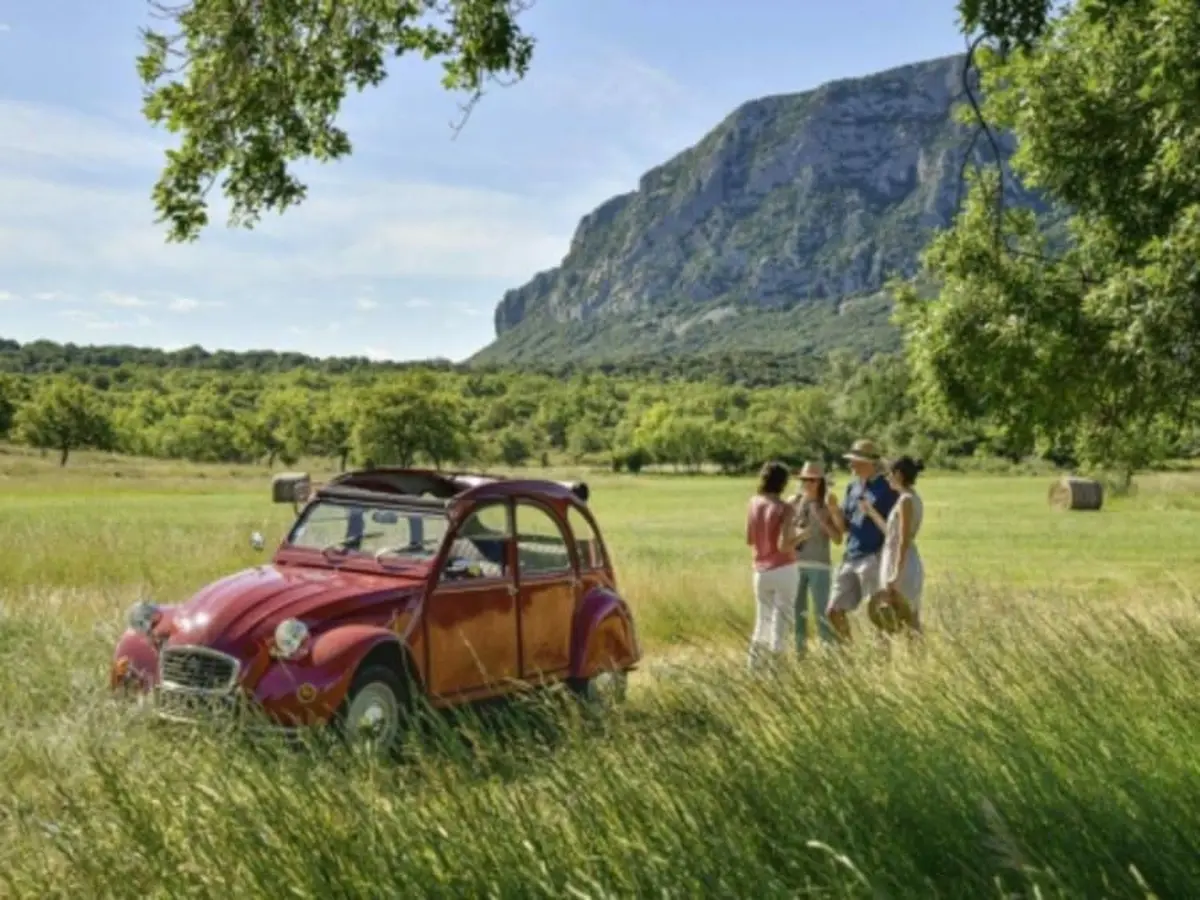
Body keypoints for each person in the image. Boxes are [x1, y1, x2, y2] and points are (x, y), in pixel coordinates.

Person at [826, 439, 898, 642]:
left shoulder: (887, 489)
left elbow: (893, 527)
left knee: (875, 614)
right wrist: (833, 510)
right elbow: (846, 527)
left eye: (855, 461)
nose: (851, 466)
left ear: (869, 463)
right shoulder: (852, 487)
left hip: (874, 556)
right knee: (833, 610)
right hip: (851, 555)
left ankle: (881, 658)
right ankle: (849, 654)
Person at [861, 455, 925, 634]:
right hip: (899, 558)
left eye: (889, 474)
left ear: (898, 474)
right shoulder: (910, 498)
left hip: (900, 561)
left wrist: (896, 573)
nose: (887, 478)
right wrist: (871, 512)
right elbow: (892, 534)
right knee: (901, 616)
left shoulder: (905, 501)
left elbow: (903, 539)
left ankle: (914, 657)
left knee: (906, 616)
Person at [745, 460, 800, 670]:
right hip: (784, 568)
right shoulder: (785, 508)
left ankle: (754, 667)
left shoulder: (754, 503)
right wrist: (803, 534)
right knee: (781, 622)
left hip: (760, 570)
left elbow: (750, 539)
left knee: (763, 621)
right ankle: (777, 671)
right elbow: (785, 545)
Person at [787, 461, 842, 654]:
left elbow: (837, 538)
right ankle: (800, 654)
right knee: (798, 614)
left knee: (822, 614)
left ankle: (829, 655)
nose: (808, 484)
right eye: (804, 479)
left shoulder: (827, 504)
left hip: (820, 565)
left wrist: (822, 519)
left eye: (813, 480)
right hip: (795, 564)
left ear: (821, 482)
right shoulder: (793, 502)